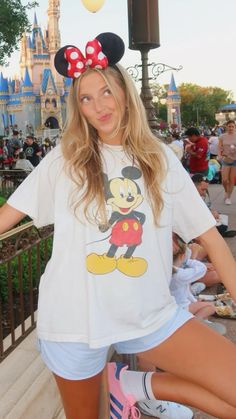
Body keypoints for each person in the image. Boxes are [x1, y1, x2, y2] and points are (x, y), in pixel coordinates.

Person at [0, 32, 236, 419]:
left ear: (125, 92)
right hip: (74, 323)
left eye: (106, 92)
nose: (99, 107)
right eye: (86, 98)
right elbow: (8, 216)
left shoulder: (159, 158)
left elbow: (210, 238)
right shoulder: (65, 159)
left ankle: (136, 384)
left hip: (150, 314)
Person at [218, 119, 236, 205]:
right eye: (229, 126)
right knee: (224, 180)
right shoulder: (222, 136)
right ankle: (226, 191)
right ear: (226, 127)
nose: (231, 128)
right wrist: (219, 155)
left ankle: (228, 197)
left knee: (231, 180)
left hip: (235, 161)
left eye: (232, 126)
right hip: (225, 159)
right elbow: (219, 147)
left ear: (235, 127)